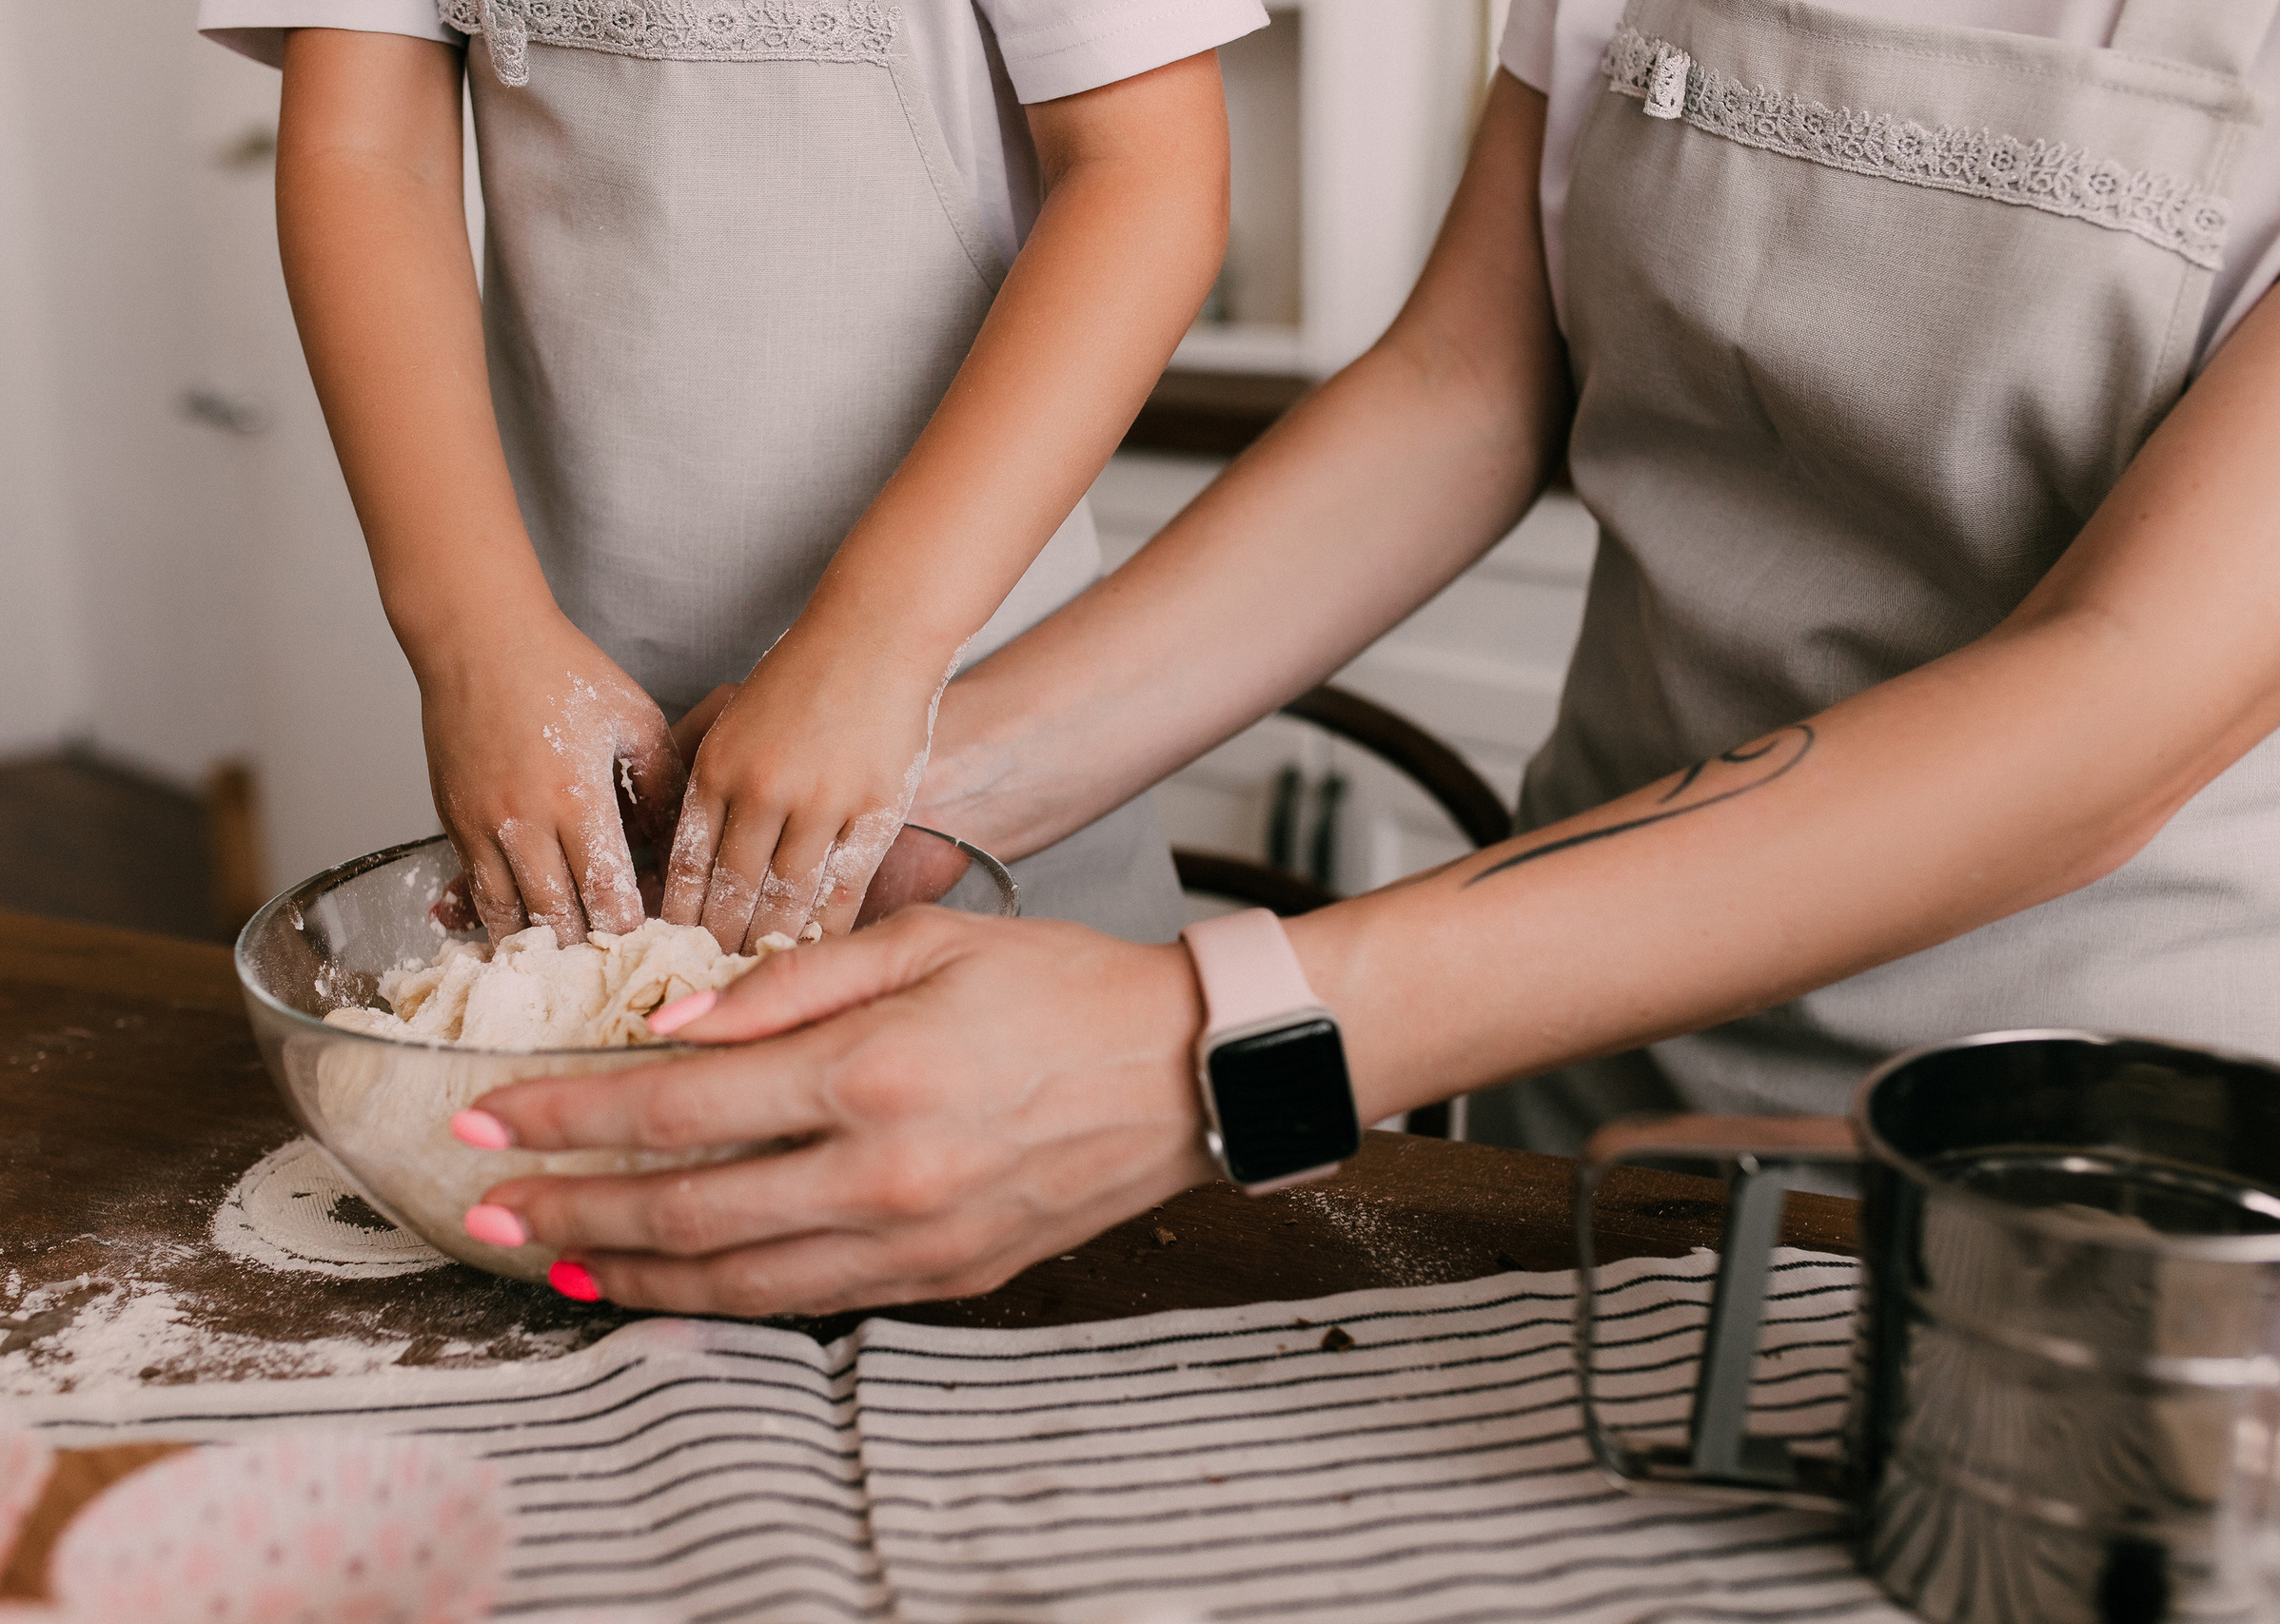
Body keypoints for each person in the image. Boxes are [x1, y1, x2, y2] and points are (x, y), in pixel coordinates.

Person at [441, 0, 2280, 1315]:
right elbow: (1469, 391)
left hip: (2107, 1198)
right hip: (1582, 1099)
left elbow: (2119, 702)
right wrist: (937, 783)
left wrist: (1214, 1048)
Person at [198, 0, 1261, 952]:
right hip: (570, 760)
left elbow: (1146, 174)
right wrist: (473, 640)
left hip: (975, 726)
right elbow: (368, 159)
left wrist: (875, 643)